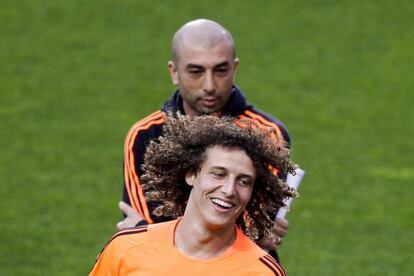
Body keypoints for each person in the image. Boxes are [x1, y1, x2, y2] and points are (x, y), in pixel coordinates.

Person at [118, 18, 292, 255]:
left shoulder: (267, 135)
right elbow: (144, 238)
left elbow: (253, 234)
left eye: (220, 70)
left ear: (235, 68)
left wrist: (152, 232)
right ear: (174, 72)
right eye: (196, 71)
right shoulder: (145, 136)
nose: (209, 85)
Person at [90, 115, 296, 275]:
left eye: (244, 181)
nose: (228, 190)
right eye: (218, 174)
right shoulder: (126, 249)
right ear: (191, 174)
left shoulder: (262, 272)